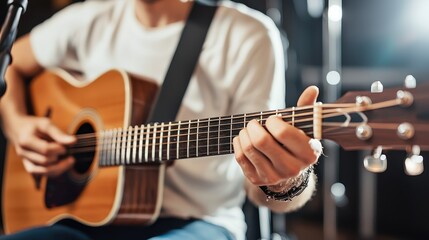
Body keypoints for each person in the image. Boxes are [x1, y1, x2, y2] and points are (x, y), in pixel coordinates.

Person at [0, 0, 321, 239]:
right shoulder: (88, 19)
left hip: (199, 222)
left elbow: (263, 190)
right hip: (80, 220)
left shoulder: (247, 35)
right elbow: (9, 65)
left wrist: (284, 180)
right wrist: (18, 126)